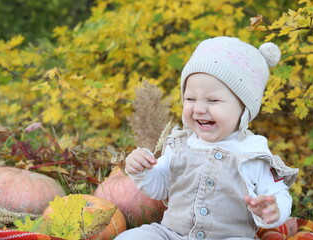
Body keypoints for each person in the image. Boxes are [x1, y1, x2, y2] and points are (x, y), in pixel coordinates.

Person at [115, 36, 299, 240]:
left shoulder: (253, 153)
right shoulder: (180, 145)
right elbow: (160, 188)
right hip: (172, 234)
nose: (199, 108)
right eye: (190, 99)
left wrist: (272, 210)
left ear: (244, 109)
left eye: (213, 100)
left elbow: (279, 194)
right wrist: (143, 172)